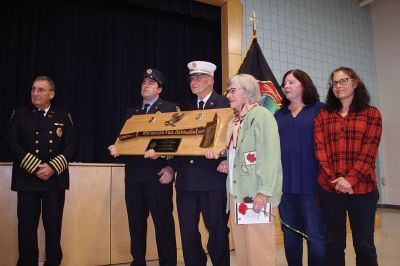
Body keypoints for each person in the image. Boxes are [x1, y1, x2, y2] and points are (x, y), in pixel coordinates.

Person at [206, 73, 283, 266]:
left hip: (256, 193)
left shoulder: (262, 116)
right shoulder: (235, 121)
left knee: (259, 250)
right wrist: (226, 162)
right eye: (228, 91)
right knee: (242, 249)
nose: (228, 95)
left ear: (248, 93)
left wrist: (264, 192)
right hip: (236, 194)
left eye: (232, 91)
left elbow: (270, 157)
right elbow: (239, 154)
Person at [108, 68, 177, 266]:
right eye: (143, 82)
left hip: (158, 176)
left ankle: (168, 263)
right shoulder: (132, 112)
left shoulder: (171, 109)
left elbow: (177, 140)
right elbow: (126, 140)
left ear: (160, 89)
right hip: (134, 177)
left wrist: (171, 167)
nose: (145, 85)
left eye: (151, 82)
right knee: (136, 224)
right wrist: (117, 146)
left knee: (163, 225)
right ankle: (137, 261)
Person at [314, 67, 382, 266]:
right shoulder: (323, 116)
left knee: (364, 245)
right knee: (333, 244)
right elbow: (320, 151)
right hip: (330, 189)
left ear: (355, 82)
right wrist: (336, 181)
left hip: (362, 190)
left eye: (343, 81)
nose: (338, 86)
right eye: (334, 83)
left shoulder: (372, 114)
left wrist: (349, 179)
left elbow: (369, 151)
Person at [7, 76, 75, 266]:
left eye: (41, 90)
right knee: (27, 229)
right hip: (27, 180)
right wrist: (36, 167)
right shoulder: (19, 114)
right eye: (33, 89)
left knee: (53, 227)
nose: (35, 93)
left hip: (54, 181)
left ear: (51, 94)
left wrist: (53, 167)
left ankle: (53, 262)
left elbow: (70, 146)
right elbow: (12, 144)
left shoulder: (63, 116)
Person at [175, 61, 230, 266]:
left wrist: (225, 158)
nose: (193, 82)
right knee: (188, 230)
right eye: (192, 78)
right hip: (186, 179)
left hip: (212, 178)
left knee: (217, 229)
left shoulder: (225, 104)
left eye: (198, 78)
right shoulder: (185, 107)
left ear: (210, 80)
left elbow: (232, 137)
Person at [274, 69, 326, 266]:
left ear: (304, 84)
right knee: (290, 234)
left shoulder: (320, 110)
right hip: (285, 186)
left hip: (312, 185)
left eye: (291, 82)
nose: (286, 86)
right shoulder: (278, 115)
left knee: (316, 235)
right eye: (284, 83)